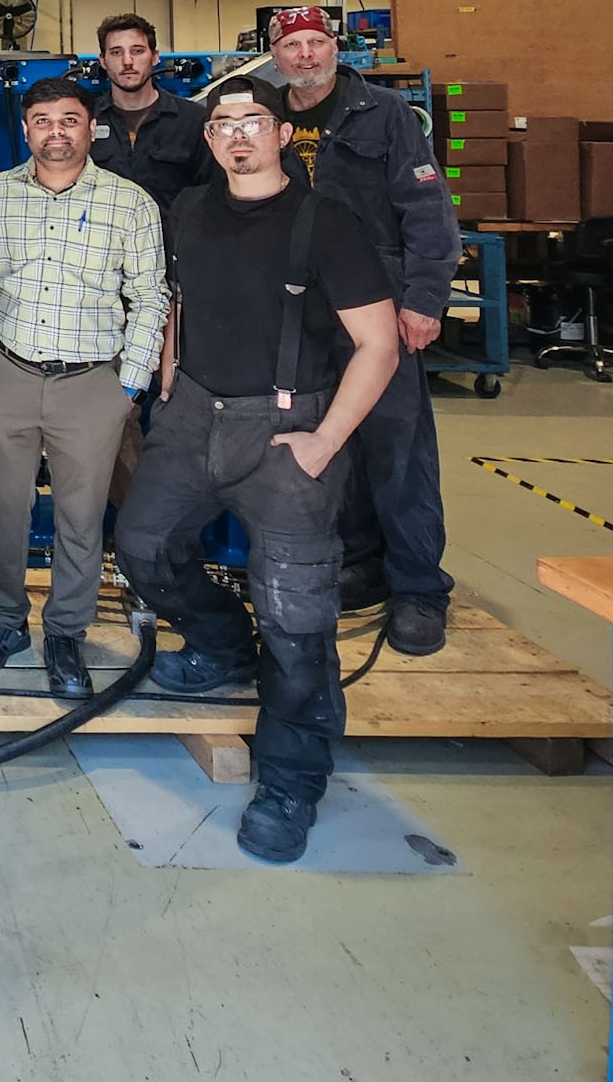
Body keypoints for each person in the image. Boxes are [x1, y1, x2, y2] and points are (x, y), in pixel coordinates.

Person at [115, 76, 400, 862]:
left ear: (282, 134)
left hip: (288, 431)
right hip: (193, 418)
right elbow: (177, 300)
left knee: (298, 616)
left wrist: (324, 441)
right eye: (224, 124)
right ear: (209, 141)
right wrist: (171, 377)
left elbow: (380, 345)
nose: (238, 135)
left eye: (253, 121)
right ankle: (221, 642)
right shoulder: (191, 213)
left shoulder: (326, 223)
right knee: (142, 549)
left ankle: (290, 779)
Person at [0, 76, 168, 699]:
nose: (57, 131)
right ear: (26, 129)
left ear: (90, 127)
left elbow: (151, 296)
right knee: (4, 508)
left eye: (69, 119)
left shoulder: (130, 203)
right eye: (44, 120)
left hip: (91, 383)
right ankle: (4, 622)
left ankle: (66, 632)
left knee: (81, 516)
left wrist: (127, 385)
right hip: (8, 372)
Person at [265, 4, 460, 656]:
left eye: (317, 43)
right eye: (293, 46)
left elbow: (427, 211)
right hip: (302, 315)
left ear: (334, 48)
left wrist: (426, 299)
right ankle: (360, 564)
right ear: (275, 53)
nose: (307, 56)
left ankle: (418, 590)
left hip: (380, 310)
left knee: (397, 451)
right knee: (329, 445)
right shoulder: (262, 115)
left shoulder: (385, 115)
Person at [90, 12, 211, 211]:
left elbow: (211, 193)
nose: (127, 61)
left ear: (155, 57)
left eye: (137, 51)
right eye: (116, 52)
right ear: (103, 61)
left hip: (173, 241)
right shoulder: (85, 121)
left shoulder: (193, 120)